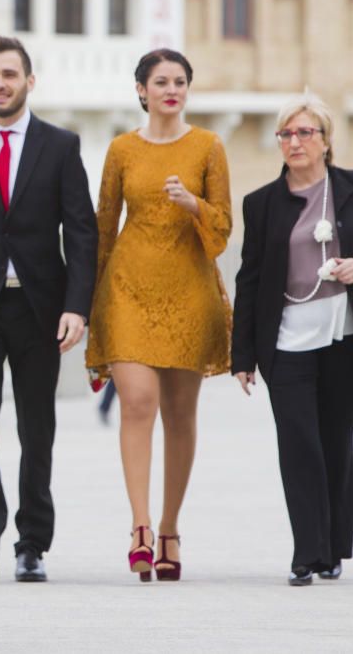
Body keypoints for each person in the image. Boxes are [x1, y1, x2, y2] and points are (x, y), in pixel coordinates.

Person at [231, 93, 353, 586]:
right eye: (286, 133)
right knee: (298, 443)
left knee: (334, 442)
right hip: (287, 340)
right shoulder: (261, 202)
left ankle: (333, 549)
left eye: (305, 132)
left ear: (326, 141)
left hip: (348, 337)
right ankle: (307, 553)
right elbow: (250, 277)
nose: (295, 141)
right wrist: (242, 354)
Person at [0, 35, 97, 583]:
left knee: (38, 429)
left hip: (41, 310)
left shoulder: (60, 146)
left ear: (28, 81)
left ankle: (32, 542)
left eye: (9, 74)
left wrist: (77, 307)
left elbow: (82, 234)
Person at [85, 49, 232, 582]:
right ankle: (140, 527)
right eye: (160, 81)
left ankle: (171, 527)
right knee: (138, 402)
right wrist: (90, 302)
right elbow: (104, 225)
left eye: (180, 81)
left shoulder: (208, 147)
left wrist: (193, 203)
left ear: (188, 90)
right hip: (126, 288)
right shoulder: (122, 148)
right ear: (142, 90)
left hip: (189, 290)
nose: (171, 89)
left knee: (179, 413)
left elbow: (222, 231)